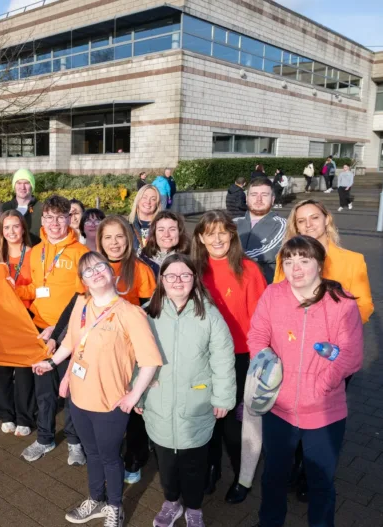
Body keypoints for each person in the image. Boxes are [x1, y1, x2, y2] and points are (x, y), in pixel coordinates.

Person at [32, 251, 162, 527]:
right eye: (88, 271)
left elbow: (150, 361)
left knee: (110, 457)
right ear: (83, 281)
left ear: (111, 272)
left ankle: (114, 506)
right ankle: (96, 498)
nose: (95, 273)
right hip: (79, 399)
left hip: (110, 403)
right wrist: (51, 362)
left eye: (99, 267)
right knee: (91, 454)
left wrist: (133, 396)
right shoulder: (81, 304)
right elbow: (69, 340)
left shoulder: (131, 313)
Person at [248, 235, 363, 527]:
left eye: (304, 260)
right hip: (279, 409)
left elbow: (351, 357)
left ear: (320, 264)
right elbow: (258, 335)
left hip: (325, 413)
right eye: (288, 261)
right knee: (273, 476)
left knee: (321, 483)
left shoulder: (342, 302)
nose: (295, 268)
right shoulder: (273, 294)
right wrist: (267, 370)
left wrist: (322, 386)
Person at [141, 254, 236, 527]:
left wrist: (223, 397)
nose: (178, 281)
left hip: (196, 404)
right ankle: (171, 502)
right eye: (171, 275)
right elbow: (137, 357)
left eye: (185, 275)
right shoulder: (149, 312)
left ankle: (194, 508)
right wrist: (138, 392)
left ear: (195, 279)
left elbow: (223, 359)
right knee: (166, 464)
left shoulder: (209, 315)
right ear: (162, 280)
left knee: (194, 464)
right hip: (158, 402)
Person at [191, 211, 267, 500]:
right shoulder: (194, 269)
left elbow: (261, 320)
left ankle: (242, 476)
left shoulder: (248, 270)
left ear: (232, 235)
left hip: (239, 357)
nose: (218, 238)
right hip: (203, 357)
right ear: (200, 237)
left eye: (224, 231)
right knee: (207, 420)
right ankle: (212, 469)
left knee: (236, 427)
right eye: (210, 233)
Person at [20, 195, 88, 465]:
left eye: (61, 217)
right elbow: (33, 289)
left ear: (70, 219)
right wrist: (7, 286)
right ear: (42, 220)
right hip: (39, 331)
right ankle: (45, 437)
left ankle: (74, 440)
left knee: (70, 388)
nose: (55, 223)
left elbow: (82, 298)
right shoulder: (36, 252)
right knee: (44, 390)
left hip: (67, 333)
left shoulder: (81, 253)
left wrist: (56, 329)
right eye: (49, 217)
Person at [96, 215, 157, 484]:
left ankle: (134, 458)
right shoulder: (93, 268)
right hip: (100, 352)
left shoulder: (141, 270)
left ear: (129, 239)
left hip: (130, 354)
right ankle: (104, 455)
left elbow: (150, 314)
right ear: (99, 241)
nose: (114, 242)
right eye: (107, 237)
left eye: (119, 236)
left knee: (133, 409)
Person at [275, 200, 373, 324]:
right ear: (297, 227)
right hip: (294, 331)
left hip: (337, 335)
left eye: (314, 218)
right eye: (301, 221)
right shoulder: (284, 258)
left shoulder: (353, 261)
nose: (308, 224)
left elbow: (363, 305)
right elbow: (278, 297)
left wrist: (339, 328)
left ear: (326, 219)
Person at [0, 210, 36, 437]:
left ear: (23, 228)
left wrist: (16, 290)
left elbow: (40, 287)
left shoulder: (35, 254)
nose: (11, 231)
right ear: (1, 231)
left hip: (27, 318)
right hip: (2, 318)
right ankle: (6, 414)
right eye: (6, 228)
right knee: (3, 370)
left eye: (15, 226)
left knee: (24, 370)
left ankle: (25, 416)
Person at [234, 177, 287, 284]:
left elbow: (268, 251)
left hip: (266, 289)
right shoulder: (233, 223)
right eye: (254, 195)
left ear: (272, 199)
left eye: (264, 195)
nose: (259, 199)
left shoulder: (283, 224)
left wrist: (230, 258)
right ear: (247, 198)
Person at [140, 211, 191, 277]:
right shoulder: (142, 259)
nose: (166, 234)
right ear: (154, 233)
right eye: (161, 230)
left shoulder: (191, 259)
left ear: (180, 232)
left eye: (172, 229)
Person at [2, 168, 44, 245]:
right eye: (19, 183)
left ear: (32, 185)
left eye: (26, 183)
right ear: (14, 186)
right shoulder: (5, 208)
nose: (22, 187)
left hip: (35, 252)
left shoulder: (41, 208)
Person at [128, 185, 162, 255]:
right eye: (144, 197)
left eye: (153, 199)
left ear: (157, 204)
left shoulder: (162, 227)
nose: (148, 202)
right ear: (138, 200)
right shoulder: (126, 225)